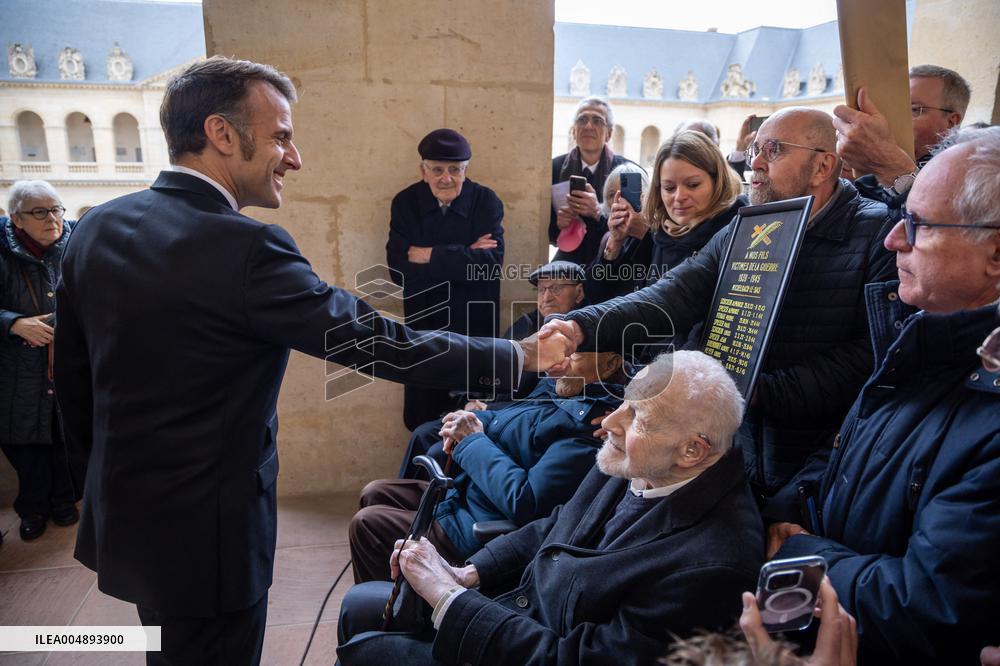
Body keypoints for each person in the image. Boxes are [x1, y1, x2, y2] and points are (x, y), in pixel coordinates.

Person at [52, 56, 567, 666]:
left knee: (165, 647)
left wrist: (98, 483)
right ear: (221, 133)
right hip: (211, 533)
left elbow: (74, 382)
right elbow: (376, 341)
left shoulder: (96, 227)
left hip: (126, 515)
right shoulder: (247, 247)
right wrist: (519, 354)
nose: (293, 158)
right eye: (281, 136)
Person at [541, 108, 897, 498]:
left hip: (814, 464)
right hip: (737, 448)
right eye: (755, 149)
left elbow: (869, 356)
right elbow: (673, 295)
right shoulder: (746, 227)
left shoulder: (877, 232)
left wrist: (758, 391)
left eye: (773, 150)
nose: (754, 163)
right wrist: (578, 326)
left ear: (822, 166)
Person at [336, 351, 764, 665]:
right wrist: (468, 572)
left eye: (639, 418)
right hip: (517, 612)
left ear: (692, 450)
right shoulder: (644, 462)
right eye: (624, 401)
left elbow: (572, 659)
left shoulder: (711, 566)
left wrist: (448, 597)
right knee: (359, 605)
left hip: (530, 646)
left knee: (365, 652)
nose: (610, 422)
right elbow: (558, 524)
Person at [764, 126, 1000, 664]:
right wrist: (779, 511)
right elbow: (849, 445)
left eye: (917, 224)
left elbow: (929, 609)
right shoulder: (924, 336)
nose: (893, 239)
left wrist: (798, 554)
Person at [350, 350, 625, 583]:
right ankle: (397, 592)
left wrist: (472, 441)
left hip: (477, 525)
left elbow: (526, 501)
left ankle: (395, 615)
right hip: (468, 498)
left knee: (368, 524)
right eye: (561, 351)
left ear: (610, 364)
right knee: (375, 492)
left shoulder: (590, 427)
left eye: (574, 354)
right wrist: (471, 419)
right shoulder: (561, 390)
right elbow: (508, 420)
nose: (559, 362)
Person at [399, 260, 588, 479]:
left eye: (555, 288)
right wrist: (472, 399)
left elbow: (545, 400)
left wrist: (489, 407)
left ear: (579, 292)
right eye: (541, 289)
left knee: (438, 449)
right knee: (423, 433)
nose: (546, 297)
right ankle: (405, 498)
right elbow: (493, 366)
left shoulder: (583, 336)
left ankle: (431, 499)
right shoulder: (526, 324)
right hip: (493, 408)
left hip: (521, 419)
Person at [386, 129, 505, 430]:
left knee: (473, 421)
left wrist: (427, 255)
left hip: (473, 330)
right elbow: (397, 270)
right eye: (437, 170)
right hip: (424, 327)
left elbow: (489, 267)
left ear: (466, 170)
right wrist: (466, 253)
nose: (446, 178)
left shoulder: (485, 201)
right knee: (422, 419)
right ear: (423, 171)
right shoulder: (406, 203)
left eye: (455, 169)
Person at [0, 181, 80, 542]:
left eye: (57, 209)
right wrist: (14, 323)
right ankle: (32, 510)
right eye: (40, 212)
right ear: (17, 219)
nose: (52, 219)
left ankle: (64, 501)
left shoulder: (76, 242)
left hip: (66, 362)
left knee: (65, 435)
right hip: (17, 368)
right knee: (26, 443)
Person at [589, 131, 746, 309]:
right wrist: (614, 243)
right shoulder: (660, 231)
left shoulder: (737, 229)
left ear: (717, 181)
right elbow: (600, 295)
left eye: (692, 185)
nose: (679, 196)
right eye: (669, 188)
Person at [833, 64, 971, 219]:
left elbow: (934, 226)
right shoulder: (866, 172)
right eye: (894, 110)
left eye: (914, 109)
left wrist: (889, 165)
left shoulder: (970, 174)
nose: (891, 120)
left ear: (951, 122)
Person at [550, 96, 630, 265]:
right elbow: (547, 233)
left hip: (611, 260)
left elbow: (634, 231)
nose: (588, 126)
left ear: (609, 134)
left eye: (597, 121)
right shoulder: (553, 168)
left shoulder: (628, 172)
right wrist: (559, 225)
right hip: (569, 259)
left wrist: (598, 213)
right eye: (582, 119)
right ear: (574, 131)